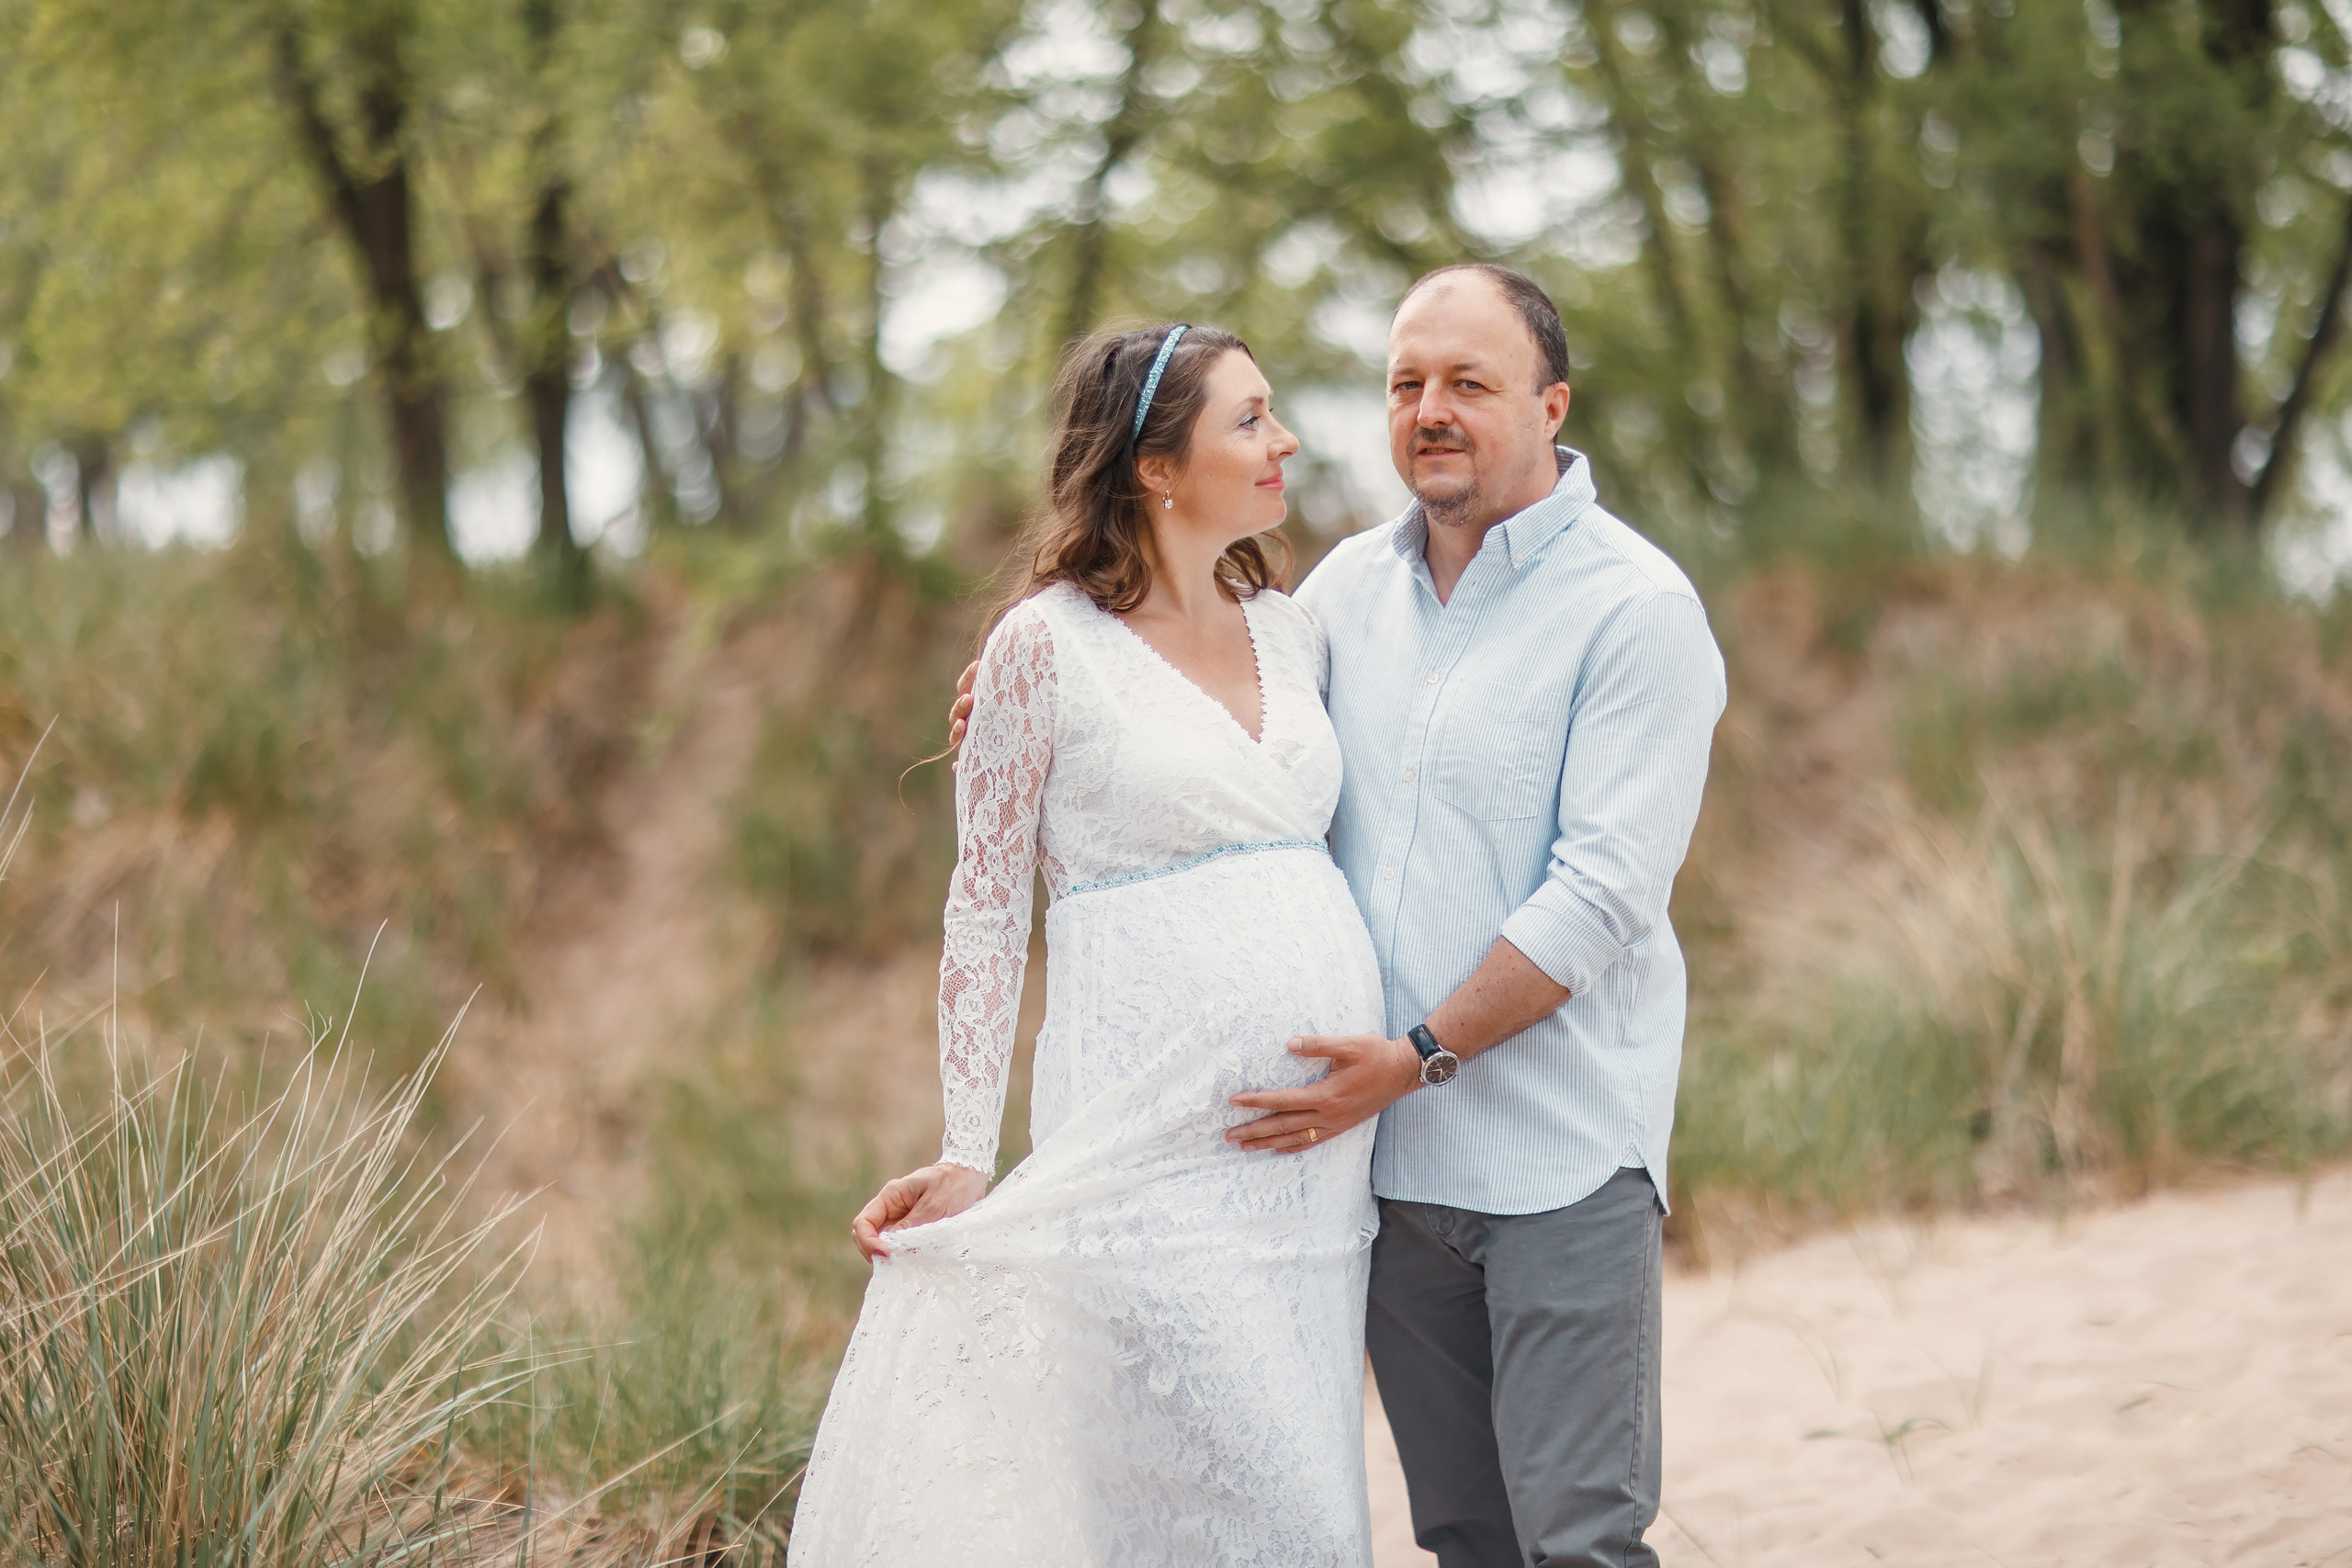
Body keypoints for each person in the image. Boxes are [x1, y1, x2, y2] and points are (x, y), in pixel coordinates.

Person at [950, 265, 1725, 1568]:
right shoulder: (1335, 602)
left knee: (1580, 1537)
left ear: (1552, 402)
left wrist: (1415, 1054)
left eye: (1469, 384)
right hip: (1381, 1179)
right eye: (1407, 383)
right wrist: (1029, 683)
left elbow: (1599, 898)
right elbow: (1192, 716)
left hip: (1557, 1154)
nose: (1431, 410)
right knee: (1467, 1535)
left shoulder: (1636, 609)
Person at [787, 322, 1390, 1566]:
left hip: (1309, 1161)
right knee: (1222, 1500)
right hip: (1141, 1142)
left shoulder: (1292, 629)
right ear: (1157, 467)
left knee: (1307, 1495)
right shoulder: (1040, 647)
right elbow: (985, 904)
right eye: (1250, 419)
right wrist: (966, 1145)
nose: (1283, 441)